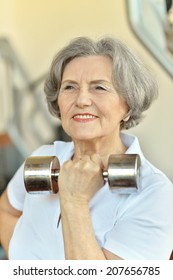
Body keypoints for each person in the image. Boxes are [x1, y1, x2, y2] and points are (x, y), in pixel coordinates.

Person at [0, 36, 173, 260]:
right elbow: (5, 210)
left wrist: (74, 199)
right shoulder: (43, 157)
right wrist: (22, 258)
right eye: (69, 87)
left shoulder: (156, 194)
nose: (81, 100)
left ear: (128, 105)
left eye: (99, 87)